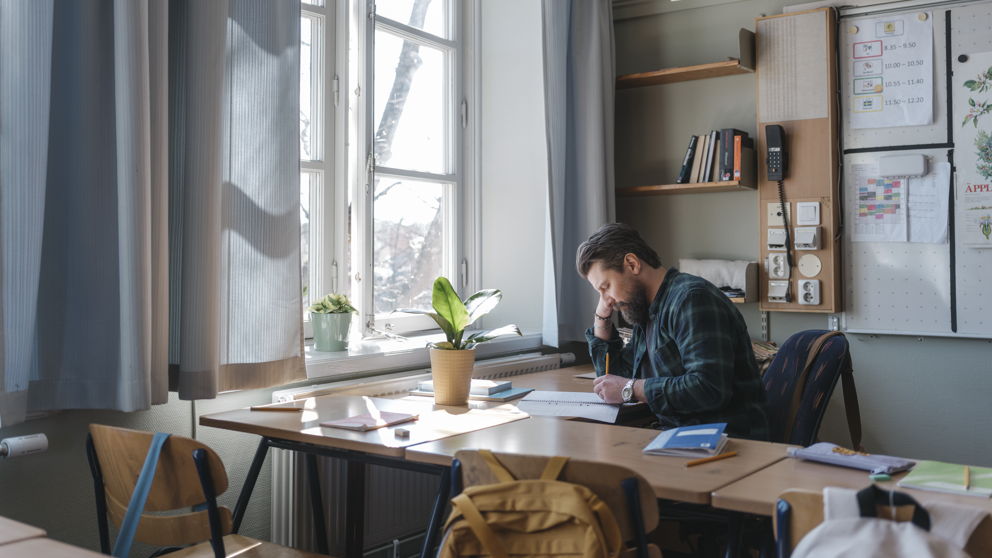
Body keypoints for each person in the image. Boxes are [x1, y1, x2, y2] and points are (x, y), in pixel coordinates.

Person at [577, 223, 771, 441]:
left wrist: (630, 388)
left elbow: (709, 389)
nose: (607, 300)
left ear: (632, 264)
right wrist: (602, 315)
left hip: (727, 440)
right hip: (682, 436)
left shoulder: (691, 299)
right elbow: (614, 379)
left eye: (606, 287)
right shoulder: (647, 311)